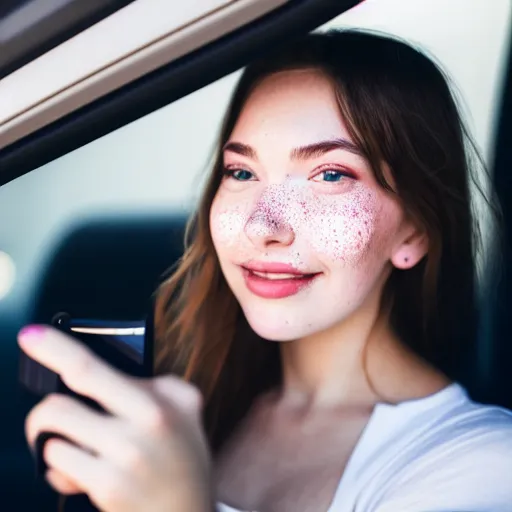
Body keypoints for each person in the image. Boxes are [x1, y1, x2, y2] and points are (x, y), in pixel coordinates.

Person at [19, 29, 512, 512]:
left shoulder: (482, 463)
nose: (263, 225)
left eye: (331, 175)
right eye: (241, 173)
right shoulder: (185, 403)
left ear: (414, 232)